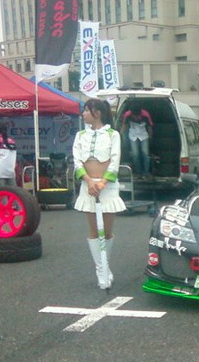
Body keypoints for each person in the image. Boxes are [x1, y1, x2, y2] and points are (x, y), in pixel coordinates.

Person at [73, 98, 126, 289]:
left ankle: (104, 265)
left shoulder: (113, 135)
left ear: (98, 112)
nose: (83, 114)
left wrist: (103, 182)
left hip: (107, 187)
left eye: (86, 110)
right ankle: (101, 269)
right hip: (88, 187)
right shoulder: (79, 135)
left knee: (108, 231)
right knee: (94, 230)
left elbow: (115, 160)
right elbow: (77, 160)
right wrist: (88, 181)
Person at [121, 105, 154, 179]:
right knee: (135, 154)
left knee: (145, 154)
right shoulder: (127, 115)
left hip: (144, 135)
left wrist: (150, 137)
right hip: (133, 136)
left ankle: (146, 173)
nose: (136, 117)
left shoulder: (145, 114)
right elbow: (124, 125)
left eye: (137, 116)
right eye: (134, 116)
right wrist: (121, 135)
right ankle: (138, 172)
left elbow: (149, 126)